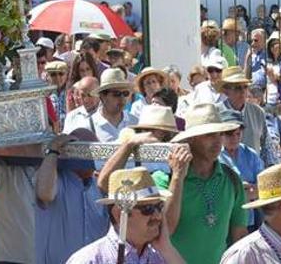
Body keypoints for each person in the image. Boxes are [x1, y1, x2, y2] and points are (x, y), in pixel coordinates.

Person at [153, 103, 248, 264]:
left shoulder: (232, 179)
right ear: (190, 139)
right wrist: (177, 177)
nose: (218, 141)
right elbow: (165, 230)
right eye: (209, 135)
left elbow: (239, 236)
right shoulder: (164, 179)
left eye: (219, 134)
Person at [67, 167, 185, 264]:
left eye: (159, 207)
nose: (158, 216)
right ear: (119, 214)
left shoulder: (163, 257)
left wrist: (167, 248)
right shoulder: (89, 260)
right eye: (147, 209)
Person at [35, 130, 109, 264]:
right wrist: (53, 151)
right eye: (86, 151)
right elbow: (45, 193)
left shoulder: (99, 188)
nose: (92, 157)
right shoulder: (56, 181)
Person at [96, 104, 178, 195]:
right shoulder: (126, 151)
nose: (167, 138)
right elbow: (103, 184)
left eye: (169, 135)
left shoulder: (178, 155)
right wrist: (129, 145)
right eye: (164, 133)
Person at [218, 109, 264, 230]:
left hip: (249, 219)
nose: (234, 138)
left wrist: (247, 191)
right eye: (229, 134)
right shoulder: (214, 156)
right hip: (222, 219)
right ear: (220, 134)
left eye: (238, 134)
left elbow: (263, 187)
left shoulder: (251, 155)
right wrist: (242, 191)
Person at [67, 69, 133, 141]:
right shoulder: (87, 126)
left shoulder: (136, 122)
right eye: (116, 94)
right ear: (102, 96)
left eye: (125, 93)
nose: (122, 98)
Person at [217, 66, 267, 154]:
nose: (243, 91)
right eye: (237, 87)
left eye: (245, 87)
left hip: (254, 166)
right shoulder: (215, 113)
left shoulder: (258, 112)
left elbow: (267, 146)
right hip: (224, 166)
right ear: (225, 91)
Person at [44, 61, 69, 127]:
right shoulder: (44, 96)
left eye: (61, 74)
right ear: (47, 77)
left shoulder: (72, 93)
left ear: (66, 75)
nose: (57, 78)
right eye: (53, 74)